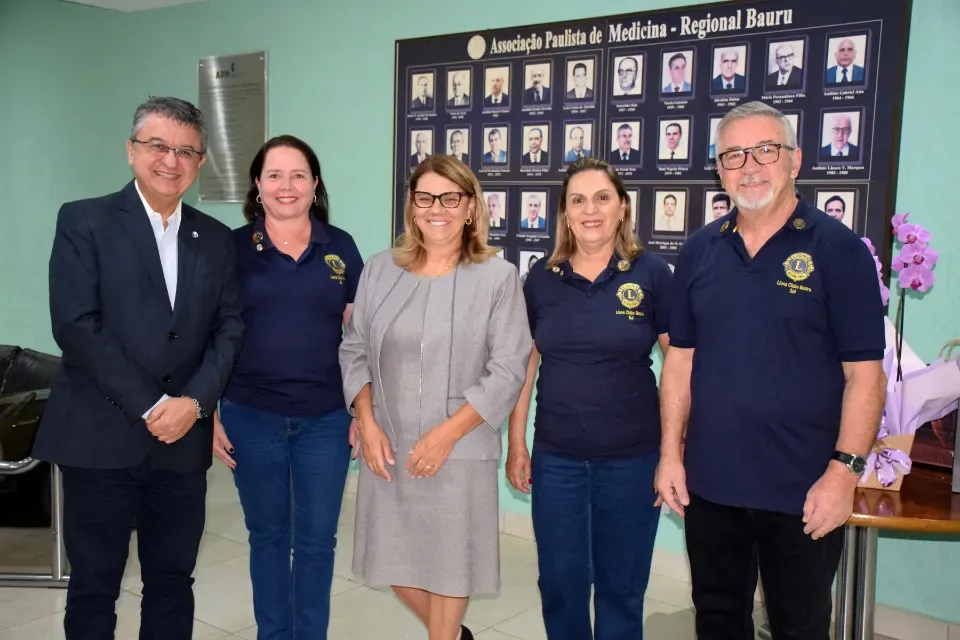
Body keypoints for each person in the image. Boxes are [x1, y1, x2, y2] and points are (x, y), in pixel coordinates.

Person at [655, 101, 886, 639]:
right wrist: (670, 454)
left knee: (799, 627)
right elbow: (680, 362)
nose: (750, 166)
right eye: (734, 155)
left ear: (795, 160)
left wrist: (843, 473)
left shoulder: (839, 250)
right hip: (711, 487)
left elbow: (865, 378)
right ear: (718, 169)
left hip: (804, 490)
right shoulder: (697, 252)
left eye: (765, 150)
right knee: (716, 621)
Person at [33, 96, 245, 640]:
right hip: (99, 437)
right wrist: (154, 407)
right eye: (157, 146)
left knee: (173, 582)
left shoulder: (216, 239)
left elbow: (229, 328)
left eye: (186, 151)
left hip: (181, 446)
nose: (171, 161)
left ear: (200, 164)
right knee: (95, 584)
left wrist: (194, 405)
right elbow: (77, 325)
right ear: (131, 151)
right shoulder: (84, 220)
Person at [339, 154, 532, 640]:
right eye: (425, 197)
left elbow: (509, 367)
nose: (436, 208)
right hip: (388, 440)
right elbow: (355, 347)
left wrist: (446, 435)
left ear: (470, 208)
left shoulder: (497, 277)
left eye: (450, 198)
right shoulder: (380, 270)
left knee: (452, 563)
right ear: (412, 205)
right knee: (392, 558)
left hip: (461, 444)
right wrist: (365, 419)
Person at [508, 157, 671, 640]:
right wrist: (517, 443)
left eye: (602, 198)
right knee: (560, 582)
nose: (591, 210)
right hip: (557, 459)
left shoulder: (652, 273)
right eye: (578, 200)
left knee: (623, 587)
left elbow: (679, 365)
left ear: (622, 207)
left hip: (633, 460)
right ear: (564, 213)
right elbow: (525, 365)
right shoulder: (541, 279)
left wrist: (674, 451)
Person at [212, 135, 363, 639]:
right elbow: (206, 334)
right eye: (274, 175)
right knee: (269, 537)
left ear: (314, 183)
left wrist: (366, 411)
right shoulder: (230, 248)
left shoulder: (339, 246)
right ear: (256, 184)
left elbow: (360, 335)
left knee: (318, 541)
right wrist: (207, 410)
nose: (286, 186)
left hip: (326, 418)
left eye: (298, 175)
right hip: (251, 415)